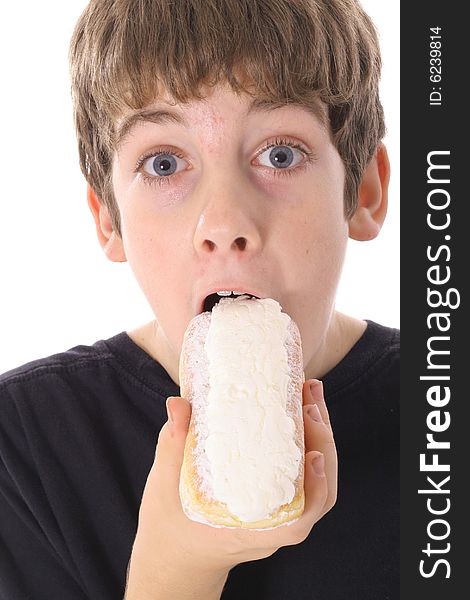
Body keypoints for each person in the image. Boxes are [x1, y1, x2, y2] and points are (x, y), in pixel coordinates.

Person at [0, 1, 399, 598]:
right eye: (164, 164)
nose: (223, 221)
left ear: (362, 190)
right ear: (108, 219)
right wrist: (177, 568)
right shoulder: (23, 444)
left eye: (280, 154)